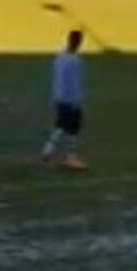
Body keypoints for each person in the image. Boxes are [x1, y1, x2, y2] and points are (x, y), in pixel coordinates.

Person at [41, 30, 87, 171]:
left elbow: (59, 78)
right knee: (73, 128)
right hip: (70, 98)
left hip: (59, 96)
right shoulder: (76, 60)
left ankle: (48, 150)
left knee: (61, 124)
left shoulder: (60, 57)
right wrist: (76, 100)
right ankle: (70, 157)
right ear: (79, 42)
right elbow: (74, 82)